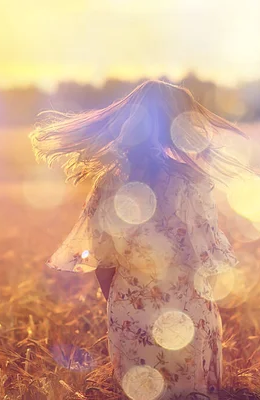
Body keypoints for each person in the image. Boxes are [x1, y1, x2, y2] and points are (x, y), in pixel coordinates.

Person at [30, 80, 248, 399]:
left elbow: (101, 263)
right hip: (186, 315)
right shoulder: (189, 182)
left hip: (128, 316)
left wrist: (128, 309)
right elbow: (209, 258)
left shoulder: (110, 183)